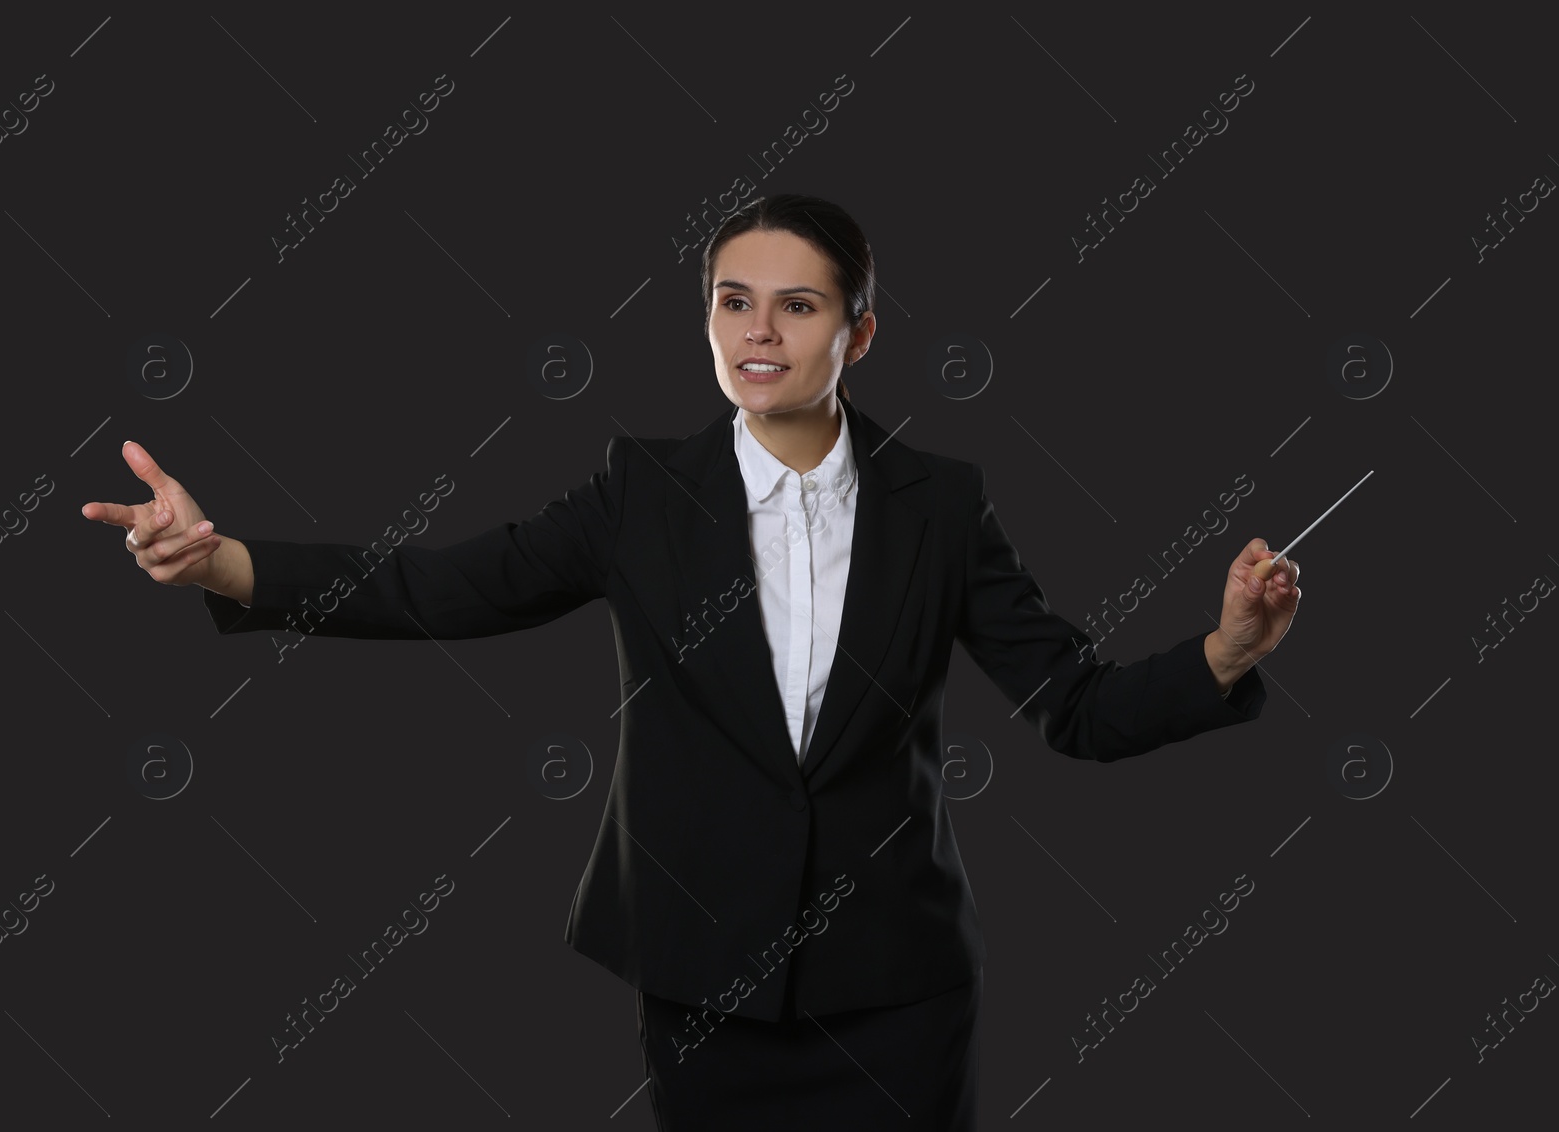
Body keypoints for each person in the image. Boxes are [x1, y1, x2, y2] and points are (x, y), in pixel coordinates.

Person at [82, 194, 1300, 1130]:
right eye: (730, 300)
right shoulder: (640, 493)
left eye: (797, 305)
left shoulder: (942, 505)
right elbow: (440, 586)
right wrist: (225, 562)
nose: (757, 331)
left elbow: (1072, 704)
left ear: (858, 331)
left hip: (901, 993)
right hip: (709, 984)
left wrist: (1221, 651)